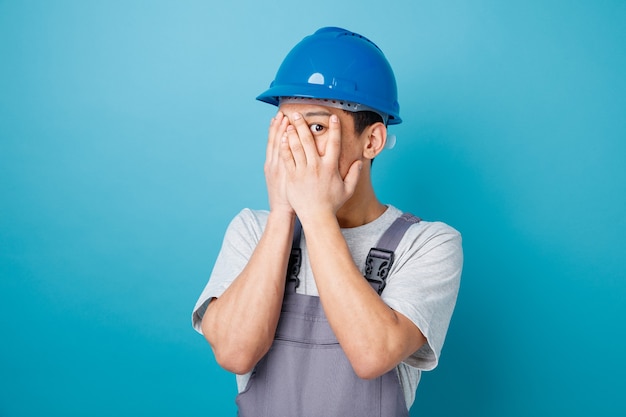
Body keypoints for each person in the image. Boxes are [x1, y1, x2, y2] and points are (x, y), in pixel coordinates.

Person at [192, 27, 463, 416]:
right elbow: (235, 353)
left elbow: (373, 355)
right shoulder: (252, 230)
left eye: (316, 127)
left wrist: (317, 215)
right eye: (287, 126)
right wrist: (285, 214)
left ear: (372, 141)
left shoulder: (427, 244)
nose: (296, 144)